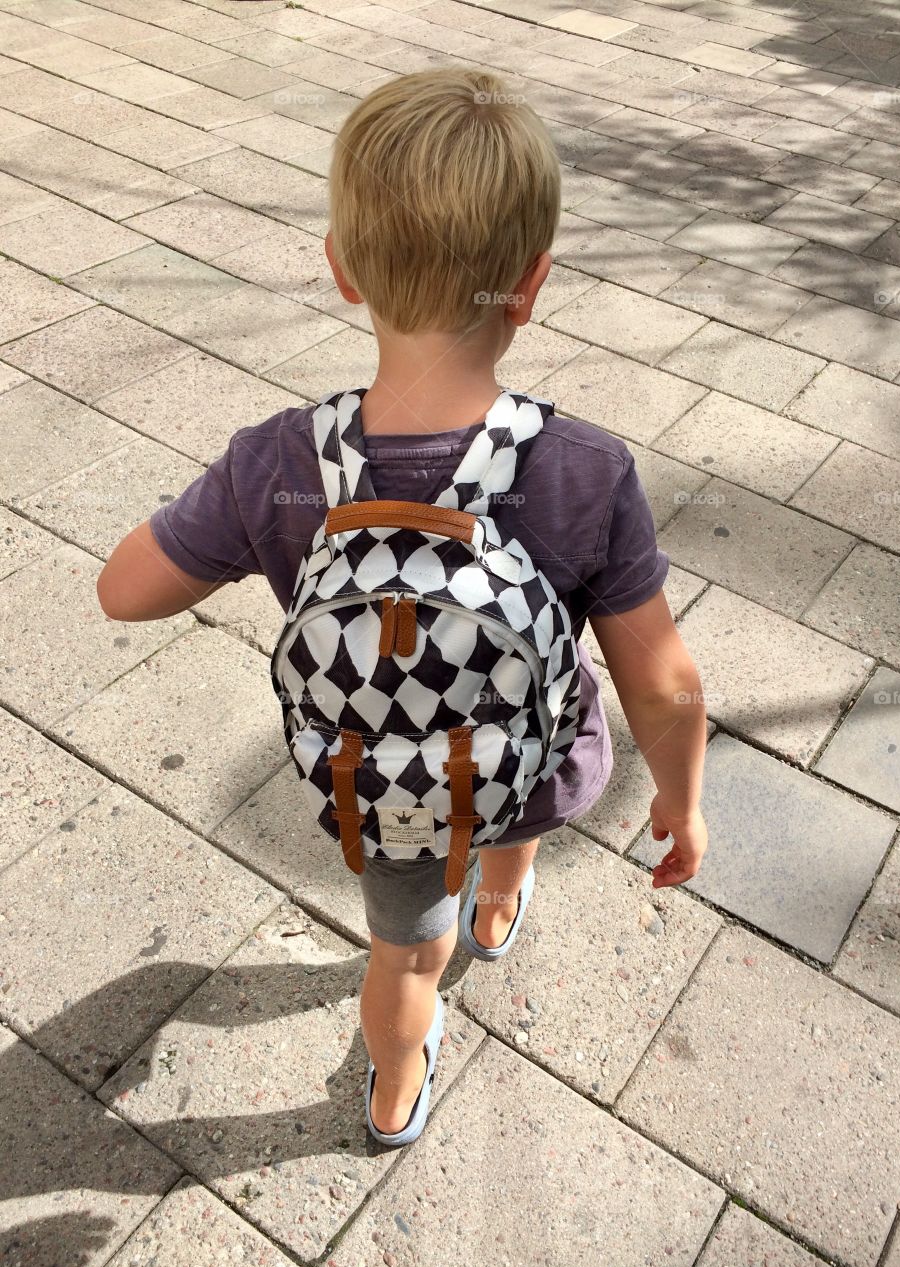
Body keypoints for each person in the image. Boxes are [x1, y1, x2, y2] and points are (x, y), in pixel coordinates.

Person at [97, 67, 708, 1145]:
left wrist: (221, 518)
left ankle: (389, 1090)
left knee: (403, 956)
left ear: (341, 270)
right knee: (516, 813)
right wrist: (681, 798)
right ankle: (501, 897)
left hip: (389, 781)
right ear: (532, 284)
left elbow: (123, 589)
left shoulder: (280, 463)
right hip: (527, 753)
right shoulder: (583, 470)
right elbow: (663, 683)